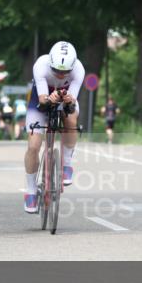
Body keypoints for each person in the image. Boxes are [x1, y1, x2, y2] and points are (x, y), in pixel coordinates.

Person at [23, 41, 85, 213]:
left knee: (71, 119)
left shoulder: (79, 69)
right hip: (40, 101)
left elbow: (72, 101)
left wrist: (68, 99)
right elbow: (43, 100)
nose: (60, 74)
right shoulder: (41, 65)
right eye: (56, 70)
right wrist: (51, 98)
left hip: (64, 101)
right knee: (34, 146)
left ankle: (67, 164)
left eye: (65, 72)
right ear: (50, 63)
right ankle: (31, 191)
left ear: (72, 67)